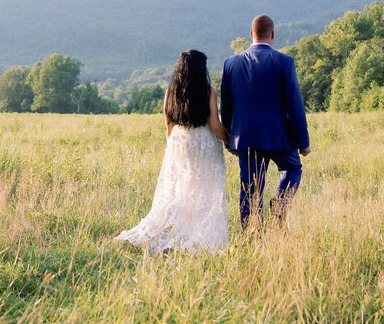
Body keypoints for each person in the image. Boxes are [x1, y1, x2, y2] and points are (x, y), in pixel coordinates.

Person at [115, 50, 231, 252]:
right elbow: (215, 125)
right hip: (202, 143)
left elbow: (168, 123)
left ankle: (175, 228)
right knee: (203, 188)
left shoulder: (171, 90)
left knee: (181, 187)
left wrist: (174, 146)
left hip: (179, 142)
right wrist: (232, 142)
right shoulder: (207, 91)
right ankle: (196, 231)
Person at [221, 14, 311, 228]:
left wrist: (230, 141)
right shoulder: (284, 62)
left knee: (251, 190)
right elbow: (294, 104)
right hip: (280, 137)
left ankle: (252, 237)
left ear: (251, 34)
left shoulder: (230, 64)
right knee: (293, 169)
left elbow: (226, 106)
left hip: (246, 138)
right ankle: (279, 205)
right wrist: (303, 142)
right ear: (272, 35)